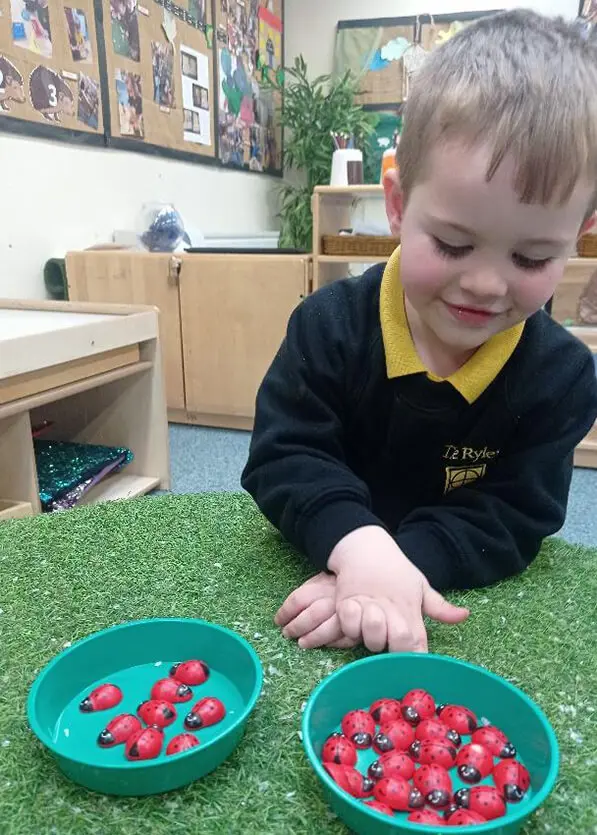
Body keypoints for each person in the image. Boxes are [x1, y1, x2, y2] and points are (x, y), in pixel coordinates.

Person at [241, 10, 597, 655]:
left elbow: (517, 512)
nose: (487, 286)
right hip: (318, 549)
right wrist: (358, 546)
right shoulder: (326, 328)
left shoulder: (563, 377)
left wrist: (393, 571)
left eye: (532, 258)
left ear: (581, 234)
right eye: (454, 242)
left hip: (429, 581)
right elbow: (283, 456)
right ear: (399, 205)